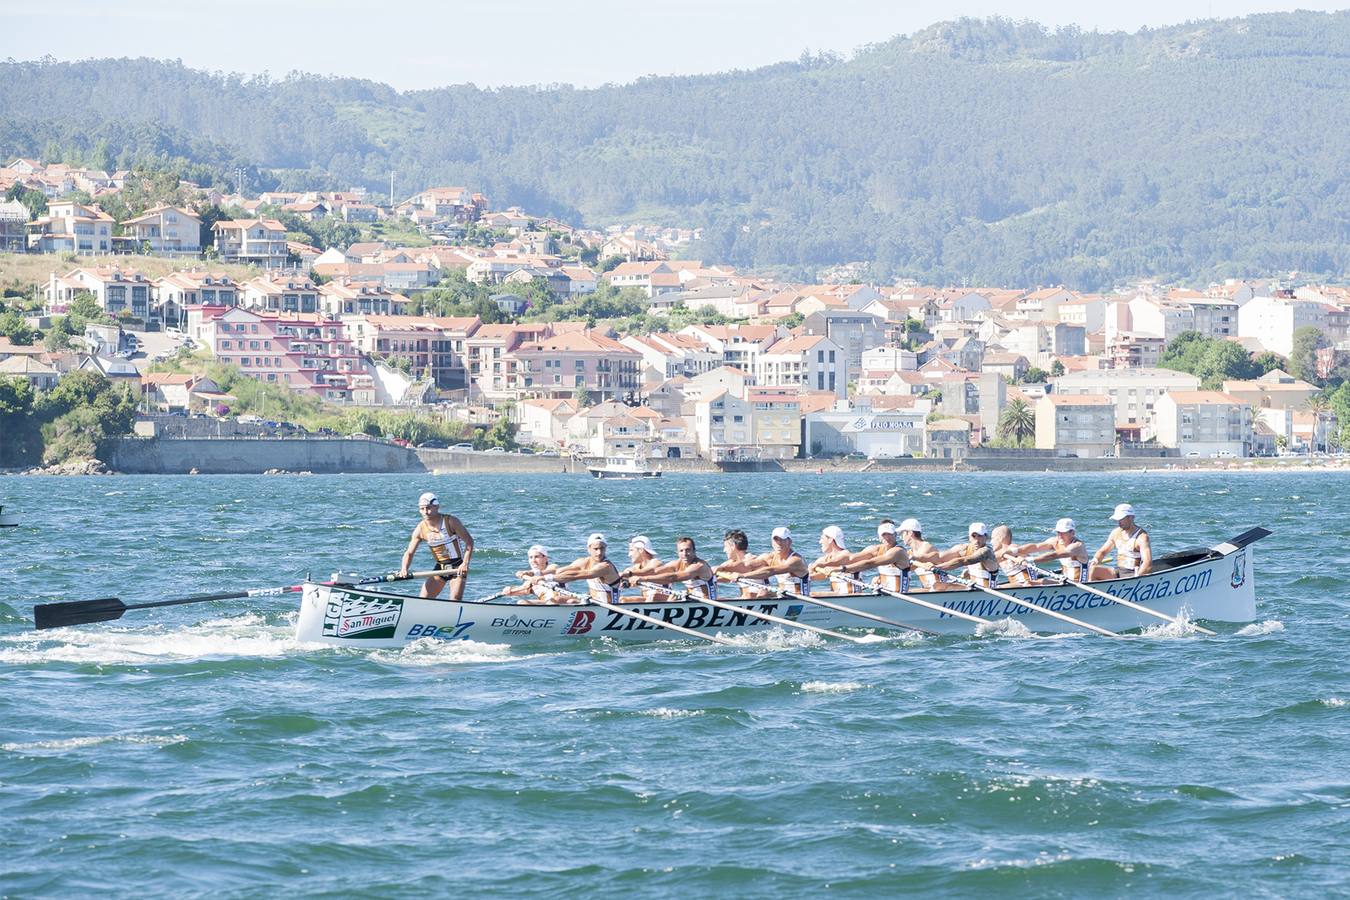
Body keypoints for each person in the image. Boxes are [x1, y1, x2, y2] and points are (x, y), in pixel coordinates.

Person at [399, 492, 473, 600]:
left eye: (428, 508)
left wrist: (465, 563)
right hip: (440, 567)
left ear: (437, 507)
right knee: (423, 599)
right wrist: (404, 569)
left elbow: (469, 542)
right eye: (422, 509)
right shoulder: (420, 529)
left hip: (458, 566)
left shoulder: (451, 521)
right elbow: (409, 553)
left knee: (455, 599)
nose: (425, 512)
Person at [817, 519, 913, 593]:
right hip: (885, 594)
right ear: (879, 537)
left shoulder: (898, 551)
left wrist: (840, 569)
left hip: (900, 596)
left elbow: (870, 563)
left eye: (890, 534)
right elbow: (850, 558)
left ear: (895, 535)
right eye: (884, 534)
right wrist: (824, 564)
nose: (887, 538)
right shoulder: (875, 549)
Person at [529, 532, 624, 604]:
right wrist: (535, 573)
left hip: (609, 607)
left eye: (602, 548)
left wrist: (545, 578)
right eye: (595, 549)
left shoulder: (605, 566)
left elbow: (578, 575)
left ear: (606, 548)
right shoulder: (585, 561)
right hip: (594, 602)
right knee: (558, 599)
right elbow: (560, 570)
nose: (599, 552)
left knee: (565, 600)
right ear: (588, 549)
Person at [736, 526, 811, 596]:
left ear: (790, 541)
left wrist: (743, 576)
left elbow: (771, 571)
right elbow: (748, 565)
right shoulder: (770, 557)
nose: (779, 543)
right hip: (782, 596)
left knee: (763, 593)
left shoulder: (796, 560)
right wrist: (727, 570)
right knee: (756, 592)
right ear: (772, 542)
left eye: (783, 540)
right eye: (776, 540)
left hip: (800, 600)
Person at [641, 536, 719, 600]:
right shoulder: (678, 563)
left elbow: (673, 577)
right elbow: (656, 570)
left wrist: (645, 579)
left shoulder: (699, 566)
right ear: (677, 553)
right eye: (681, 551)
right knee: (653, 597)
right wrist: (632, 575)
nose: (684, 554)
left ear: (694, 551)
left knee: (659, 598)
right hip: (692, 600)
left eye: (688, 550)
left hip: (707, 604)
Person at [1090, 503, 1152, 579]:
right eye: (1118, 519)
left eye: (1121, 519)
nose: (1119, 522)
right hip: (1118, 571)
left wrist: (1137, 578)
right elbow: (1102, 552)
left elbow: (1147, 562)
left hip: (1132, 574)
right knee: (1093, 570)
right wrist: (1095, 560)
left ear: (1131, 518)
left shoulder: (1142, 537)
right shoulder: (1115, 533)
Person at [1026, 518, 1094, 582]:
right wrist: (1016, 551)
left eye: (1063, 532)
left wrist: (1030, 560)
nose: (1060, 535)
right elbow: (1036, 547)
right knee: (1032, 582)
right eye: (1058, 532)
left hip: (1079, 585)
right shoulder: (1055, 541)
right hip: (1066, 582)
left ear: (1072, 532)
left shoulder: (1077, 546)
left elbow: (1054, 555)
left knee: (1034, 583)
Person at [938, 522, 1001, 589]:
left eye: (980, 536)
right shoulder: (964, 548)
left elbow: (964, 561)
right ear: (969, 538)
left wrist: (938, 567)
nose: (976, 540)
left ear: (986, 537)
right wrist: (928, 562)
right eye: (973, 536)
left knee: (944, 587)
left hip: (988, 592)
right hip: (972, 589)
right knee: (937, 586)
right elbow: (938, 557)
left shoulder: (986, 552)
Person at [899, 518, 952, 590]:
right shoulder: (911, 552)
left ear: (910, 533)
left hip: (941, 589)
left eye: (902, 533)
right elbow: (907, 568)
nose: (901, 537)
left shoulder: (926, 547)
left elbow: (914, 563)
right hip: (928, 590)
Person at [713, 529, 767, 598]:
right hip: (744, 599)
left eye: (725, 546)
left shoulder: (753, 560)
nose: (724, 550)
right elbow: (728, 576)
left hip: (756, 601)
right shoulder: (733, 562)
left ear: (733, 546)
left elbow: (744, 566)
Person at [618, 535, 666, 602]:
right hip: (647, 600)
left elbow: (647, 571)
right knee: (622, 600)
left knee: (653, 596)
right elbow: (623, 575)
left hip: (663, 599)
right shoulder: (635, 568)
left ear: (641, 550)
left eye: (631, 550)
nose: (629, 554)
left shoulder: (656, 563)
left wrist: (633, 576)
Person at [809, 526, 855, 593]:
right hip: (837, 596)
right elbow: (820, 575)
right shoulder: (826, 559)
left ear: (830, 539)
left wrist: (821, 565)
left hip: (851, 597)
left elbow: (835, 563)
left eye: (822, 538)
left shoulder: (846, 555)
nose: (820, 542)